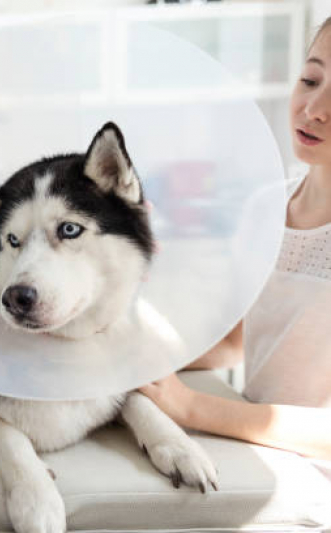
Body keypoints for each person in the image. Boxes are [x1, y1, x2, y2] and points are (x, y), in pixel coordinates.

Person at [139, 17, 331, 479]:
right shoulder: (266, 208)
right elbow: (233, 343)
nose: (314, 108)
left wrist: (190, 406)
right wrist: (134, 365)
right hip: (265, 463)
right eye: (310, 80)